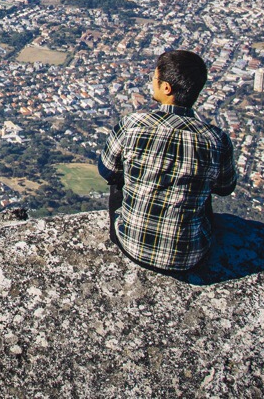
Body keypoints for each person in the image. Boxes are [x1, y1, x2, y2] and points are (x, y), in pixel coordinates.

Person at [97, 49, 237, 273]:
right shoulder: (216, 139)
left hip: (131, 245)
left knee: (117, 178)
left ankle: (133, 224)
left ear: (166, 88)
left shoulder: (133, 125)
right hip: (191, 255)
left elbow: (106, 172)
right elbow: (225, 187)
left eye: (155, 79)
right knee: (205, 186)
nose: (152, 83)